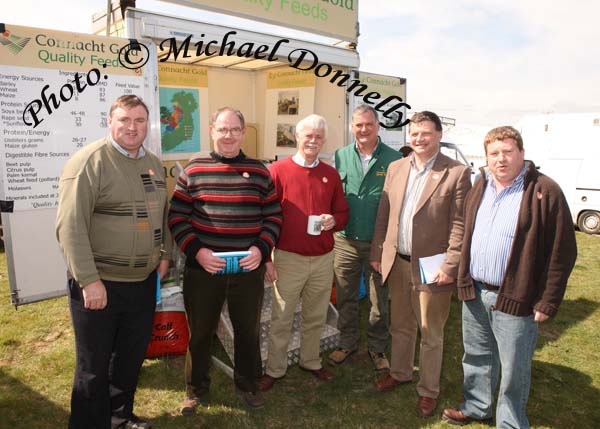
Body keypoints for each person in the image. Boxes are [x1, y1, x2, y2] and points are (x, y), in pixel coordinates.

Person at [442, 126, 577, 428]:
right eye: (494, 153)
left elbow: (563, 251)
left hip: (517, 296)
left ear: (522, 154)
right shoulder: (481, 184)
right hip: (476, 291)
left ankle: (510, 422)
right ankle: (478, 407)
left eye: (507, 152)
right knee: (477, 356)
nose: (500, 159)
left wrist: (547, 300)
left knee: (514, 367)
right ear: (486, 157)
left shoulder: (545, 190)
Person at [56, 95, 172, 429]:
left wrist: (163, 255)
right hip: (100, 283)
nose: (132, 127)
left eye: (139, 121)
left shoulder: (151, 162)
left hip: (142, 283)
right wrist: (89, 280)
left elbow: (160, 216)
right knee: (93, 365)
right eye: (124, 120)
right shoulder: (88, 162)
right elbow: (70, 226)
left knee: (129, 358)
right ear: (110, 121)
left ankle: (120, 419)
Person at [168, 107, 282, 411]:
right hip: (204, 268)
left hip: (247, 269)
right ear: (212, 131)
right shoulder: (193, 170)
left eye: (234, 129)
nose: (228, 135)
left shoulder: (260, 171)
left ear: (243, 133)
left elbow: (273, 216)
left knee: (248, 330)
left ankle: (248, 386)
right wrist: (198, 252)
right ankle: (195, 390)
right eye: (222, 129)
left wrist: (260, 249)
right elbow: (178, 218)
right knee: (201, 332)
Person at [370, 111, 472, 417]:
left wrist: (450, 264)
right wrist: (378, 252)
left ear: (439, 135)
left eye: (426, 133)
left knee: (430, 331)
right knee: (400, 324)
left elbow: (460, 224)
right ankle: (400, 372)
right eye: (414, 133)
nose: (419, 139)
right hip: (398, 262)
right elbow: (384, 214)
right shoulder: (396, 167)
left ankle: (429, 390)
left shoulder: (456, 172)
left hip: (433, 265)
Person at [258, 114, 349, 391]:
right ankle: (275, 368)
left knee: (316, 314)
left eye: (318, 137)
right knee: (282, 316)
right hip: (288, 257)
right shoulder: (278, 170)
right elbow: (263, 215)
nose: (313, 141)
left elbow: (342, 212)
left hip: (322, 258)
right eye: (308, 135)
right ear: (297, 137)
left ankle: (311, 361)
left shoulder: (330, 174)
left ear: (324, 141)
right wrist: (266, 258)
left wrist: (334, 220)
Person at [328, 104, 402, 370]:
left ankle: (377, 348)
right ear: (352, 127)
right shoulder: (340, 155)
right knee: (346, 295)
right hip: (345, 239)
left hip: (377, 243)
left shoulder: (394, 159)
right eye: (358, 125)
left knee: (378, 299)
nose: (363, 129)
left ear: (378, 126)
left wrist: (387, 243)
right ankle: (347, 342)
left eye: (368, 124)